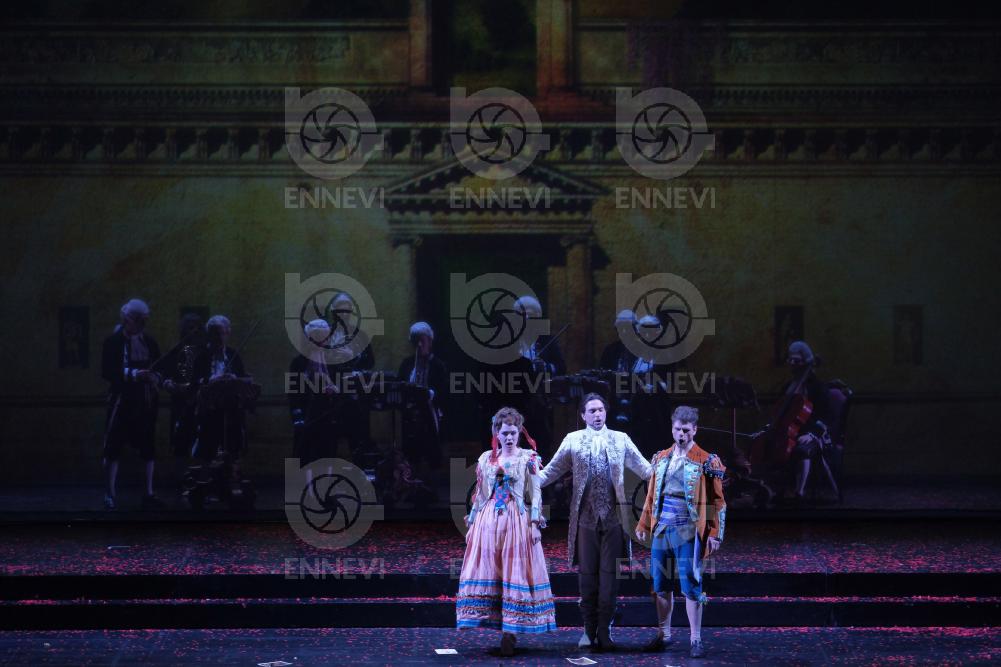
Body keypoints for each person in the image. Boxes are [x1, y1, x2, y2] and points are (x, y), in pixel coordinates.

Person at [538, 393, 652, 651]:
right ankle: (589, 630)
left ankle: (605, 630)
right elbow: (551, 471)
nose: (597, 414)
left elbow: (646, 470)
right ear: (583, 415)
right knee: (587, 578)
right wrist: (525, 476)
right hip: (585, 520)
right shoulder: (573, 440)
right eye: (592, 411)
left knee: (610, 580)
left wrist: (672, 469)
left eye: (601, 410)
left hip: (614, 520)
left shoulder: (621, 439)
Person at [456, 406, 557, 655]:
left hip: (515, 519)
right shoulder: (486, 458)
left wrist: (535, 524)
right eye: (505, 433)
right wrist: (472, 523)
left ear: (519, 432)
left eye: (513, 432)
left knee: (514, 571)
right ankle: (499, 624)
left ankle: (509, 633)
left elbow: (536, 493)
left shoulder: (528, 458)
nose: (510, 437)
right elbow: (481, 494)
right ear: (496, 433)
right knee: (492, 571)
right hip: (489, 520)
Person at [635, 405, 726, 659]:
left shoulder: (706, 461)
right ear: (672, 428)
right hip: (663, 529)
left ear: (694, 430)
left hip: (688, 529)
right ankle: (664, 634)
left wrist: (715, 533)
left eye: (686, 430)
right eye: (677, 429)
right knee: (660, 583)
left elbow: (718, 501)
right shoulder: (662, 457)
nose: (681, 434)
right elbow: (652, 495)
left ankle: (695, 639)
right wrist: (644, 524)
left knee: (691, 583)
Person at [100, 298, 163, 510]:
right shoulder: (112, 342)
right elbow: (107, 371)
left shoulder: (150, 342)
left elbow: (160, 367)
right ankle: (109, 493)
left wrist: (155, 377)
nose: (143, 324)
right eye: (139, 320)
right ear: (127, 319)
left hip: (144, 401)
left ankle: (149, 492)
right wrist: (134, 374)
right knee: (113, 446)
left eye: (145, 320)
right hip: (121, 400)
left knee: (148, 446)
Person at [191, 315, 251, 463]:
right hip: (209, 410)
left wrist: (235, 378)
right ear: (209, 335)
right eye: (215, 334)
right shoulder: (201, 356)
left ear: (227, 333)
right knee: (207, 449)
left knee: (233, 446)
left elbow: (241, 376)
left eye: (222, 333)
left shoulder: (233, 355)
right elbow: (194, 381)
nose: (219, 338)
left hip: (231, 410)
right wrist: (211, 380)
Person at [397, 321, 448, 479]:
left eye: (422, 341)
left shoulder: (438, 365)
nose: (419, 345)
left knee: (431, 452)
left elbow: (444, 392)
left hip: (430, 415)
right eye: (415, 341)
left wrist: (429, 394)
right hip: (410, 416)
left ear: (430, 342)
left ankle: (431, 482)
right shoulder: (406, 364)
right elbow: (399, 387)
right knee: (412, 454)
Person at [783, 340, 833, 501]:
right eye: (790, 360)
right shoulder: (789, 386)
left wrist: (812, 434)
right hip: (791, 431)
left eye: (796, 361)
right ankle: (781, 489)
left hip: (813, 433)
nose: (792, 364)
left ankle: (800, 491)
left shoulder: (817, 387)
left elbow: (826, 415)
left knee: (801, 450)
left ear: (806, 362)